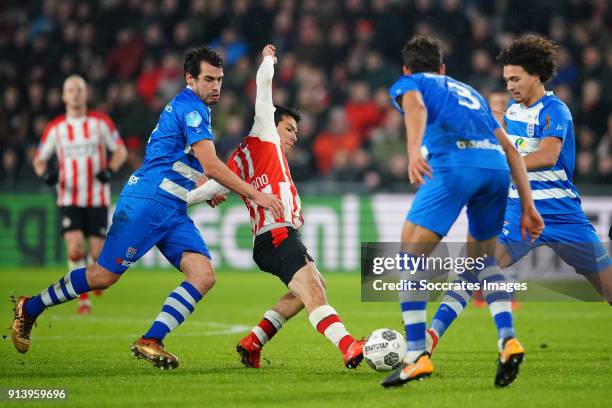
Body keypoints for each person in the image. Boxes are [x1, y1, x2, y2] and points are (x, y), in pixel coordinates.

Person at [11, 46, 283, 370]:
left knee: (203, 274)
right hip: (147, 203)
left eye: (220, 79)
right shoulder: (191, 108)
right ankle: (31, 308)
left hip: (173, 206)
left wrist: (200, 188)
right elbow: (211, 165)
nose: (216, 86)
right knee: (103, 276)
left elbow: (179, 160)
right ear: (189, 79)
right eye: (208, 79)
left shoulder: (197, 108)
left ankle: (151, 339)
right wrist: (255, 194)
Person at [428, 34, 612, 358]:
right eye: (506, 79)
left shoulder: (556, 110)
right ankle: (430, 338)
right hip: (519, 211)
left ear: (536, 75)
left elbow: (547, 156)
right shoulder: (511, 113)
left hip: (564, 215)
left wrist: (504, 165)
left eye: (515, 78)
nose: (510, 85)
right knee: (473, 267)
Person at [379, 36, 543, 388]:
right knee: (482, 263)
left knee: (410, 254)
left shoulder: (410, 82)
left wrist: (412, 153)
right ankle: (508, 339)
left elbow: (416, 107)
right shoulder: (469, 92)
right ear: (442, 68)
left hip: (455, 166)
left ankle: (417, 355)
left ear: (407, 68)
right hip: (496, 169)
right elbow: (512, 152)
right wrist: (528, 207)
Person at [187, 45, 364, 370]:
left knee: (309, 289)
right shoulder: (264, 132)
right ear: (273, 124)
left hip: (270, 240)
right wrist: (268, 57)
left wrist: (182, 199)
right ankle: (349, 345)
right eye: (289, 129)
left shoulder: (241, 157)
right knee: (313, 292)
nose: (294, 136)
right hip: (277, 235)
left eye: (296, 131)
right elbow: (264, 82)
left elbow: (214, 186)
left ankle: (254, 341)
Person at [33, 75, 128, 314]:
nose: (75, 94)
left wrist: (110, 170)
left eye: (79, 90)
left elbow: (120, 151)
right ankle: (83, 300)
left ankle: (92, 280)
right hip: (69, 198)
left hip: (96, 198)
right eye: (70, 90)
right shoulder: (56, 128)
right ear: (64, 96)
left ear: (86, 95)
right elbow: (39, 160)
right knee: (75, 247)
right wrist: (46, 175)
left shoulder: (100, 122)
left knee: (97, 254)